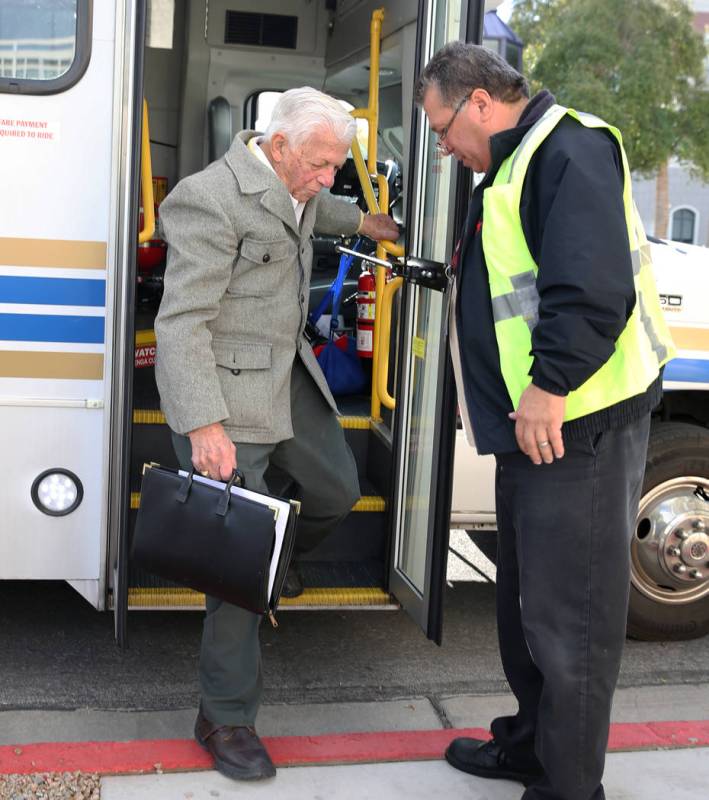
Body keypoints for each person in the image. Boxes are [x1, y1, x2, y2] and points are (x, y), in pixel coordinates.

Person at [415, 43, 674, 800]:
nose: (441, 146)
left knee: (573, 625)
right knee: (525, 608)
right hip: (536, 431)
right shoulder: (513, 161)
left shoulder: (569, 149)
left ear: (481, 104)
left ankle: (569, 788)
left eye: (441, 129)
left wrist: (546, 388)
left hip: (578, 425)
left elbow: (592, 292)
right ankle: (532, 747)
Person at [154, 87, 399, 782]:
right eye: (322, 162)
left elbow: (319, 208)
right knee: (238, 568)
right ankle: (223, 714)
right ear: (279, 145)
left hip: (285, 378)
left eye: (335, 166)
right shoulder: (210, 199)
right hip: (225, 399)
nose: (329, 176)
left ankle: (279, 555)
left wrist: (372, 224)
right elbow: (180, 326)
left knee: (337, 490)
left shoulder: (302, 184)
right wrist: (203, 425)